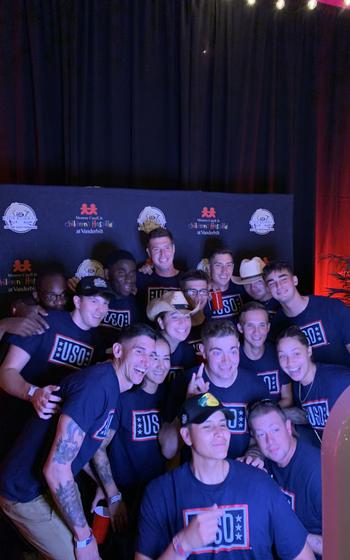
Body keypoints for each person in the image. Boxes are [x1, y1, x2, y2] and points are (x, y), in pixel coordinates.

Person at [0, 323, 157, 560]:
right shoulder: (96, 386)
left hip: (45, 486)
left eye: (152, 355)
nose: (146, 362)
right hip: (24, 492)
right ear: (117, 350)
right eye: (139, 351)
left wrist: (106, 489)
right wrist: (84, 537)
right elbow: (56, 468)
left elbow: (83, 448)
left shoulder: (112, 387)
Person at [136, 393, 315, 560]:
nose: (220, 432)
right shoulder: (160, 493)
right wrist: (183, 544)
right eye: (207, 426)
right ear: (186, 436)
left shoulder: (261, 485)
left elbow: (303, 556)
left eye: (223, 424)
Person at [0, 276, 113, 458]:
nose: (101, 309)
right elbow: (6, 372)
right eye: (94, 301)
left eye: (105, 303)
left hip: (53, 439)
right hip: (16, 424)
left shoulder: (100, 343)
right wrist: (33, 393)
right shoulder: (45, 321)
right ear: (77, 301)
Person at [163, 319, 270, 460]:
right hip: (198, 476)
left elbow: (263, 439)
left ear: (238, 347)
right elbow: (168, 450)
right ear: (203, 352)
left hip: (241, 474)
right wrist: (189, 403)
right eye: (217, 353)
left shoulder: (256, 385)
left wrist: (253, 455)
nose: (226, 361)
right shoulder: (185, 381)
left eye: (232, 351)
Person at [249, 399, 322, 558]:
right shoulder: (266, 462)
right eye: (261, 435)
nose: (270, 441)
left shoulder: (317, 473)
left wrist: (289, 534)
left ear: (288, 428)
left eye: (275, 430)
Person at [263, 261, 350, 366]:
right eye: (272, 283)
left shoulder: (332, 308)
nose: (278, 286)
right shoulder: (275, 326)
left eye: (283, 279)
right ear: (268, 289)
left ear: (295, 280)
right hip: (306, 382)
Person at [276, 326, 350, 441]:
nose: (290, 363)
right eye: (283, 356)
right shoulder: (298, 387)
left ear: (309, 351)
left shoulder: (339, 380)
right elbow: (310, 417)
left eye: (296, 353)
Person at [237, 301, 292, 407]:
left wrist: (265, 417)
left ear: (268, 327)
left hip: (275, 418)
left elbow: (287, 399)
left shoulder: (278, 353)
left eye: (262, 325)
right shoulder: (231, 358)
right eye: (250, 326)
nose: (256, 332)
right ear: (240, 328)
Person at [147, 290, 197, 380]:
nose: (183, 322)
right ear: (161, 322)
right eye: (175, 317)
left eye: (187, 316)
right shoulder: (149, 348)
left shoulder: (188, 350)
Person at [99, 249, 140, 348]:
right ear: (107, 274)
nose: (129, 279)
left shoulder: (137, 304)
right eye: (121, 273)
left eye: (132, 274)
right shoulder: (95, 298)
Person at [137, 228, 183, 314]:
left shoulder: (186, 280)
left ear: (173, 249)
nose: (162, 254)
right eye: (156, 249)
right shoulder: (140, 278)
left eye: (166, 248)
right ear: (149, 253)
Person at [204, 248, 248, 322]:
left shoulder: (243, 288)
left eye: (228, 265)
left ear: (233, 267)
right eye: (218, 265)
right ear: (209, 268)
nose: (224, 271)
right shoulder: (202, 293)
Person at [180, 269, 210, 356]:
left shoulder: (212, 325)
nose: (197, 297)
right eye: (192, 292)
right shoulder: (175, 327)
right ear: (182, 294)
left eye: (203, 292)